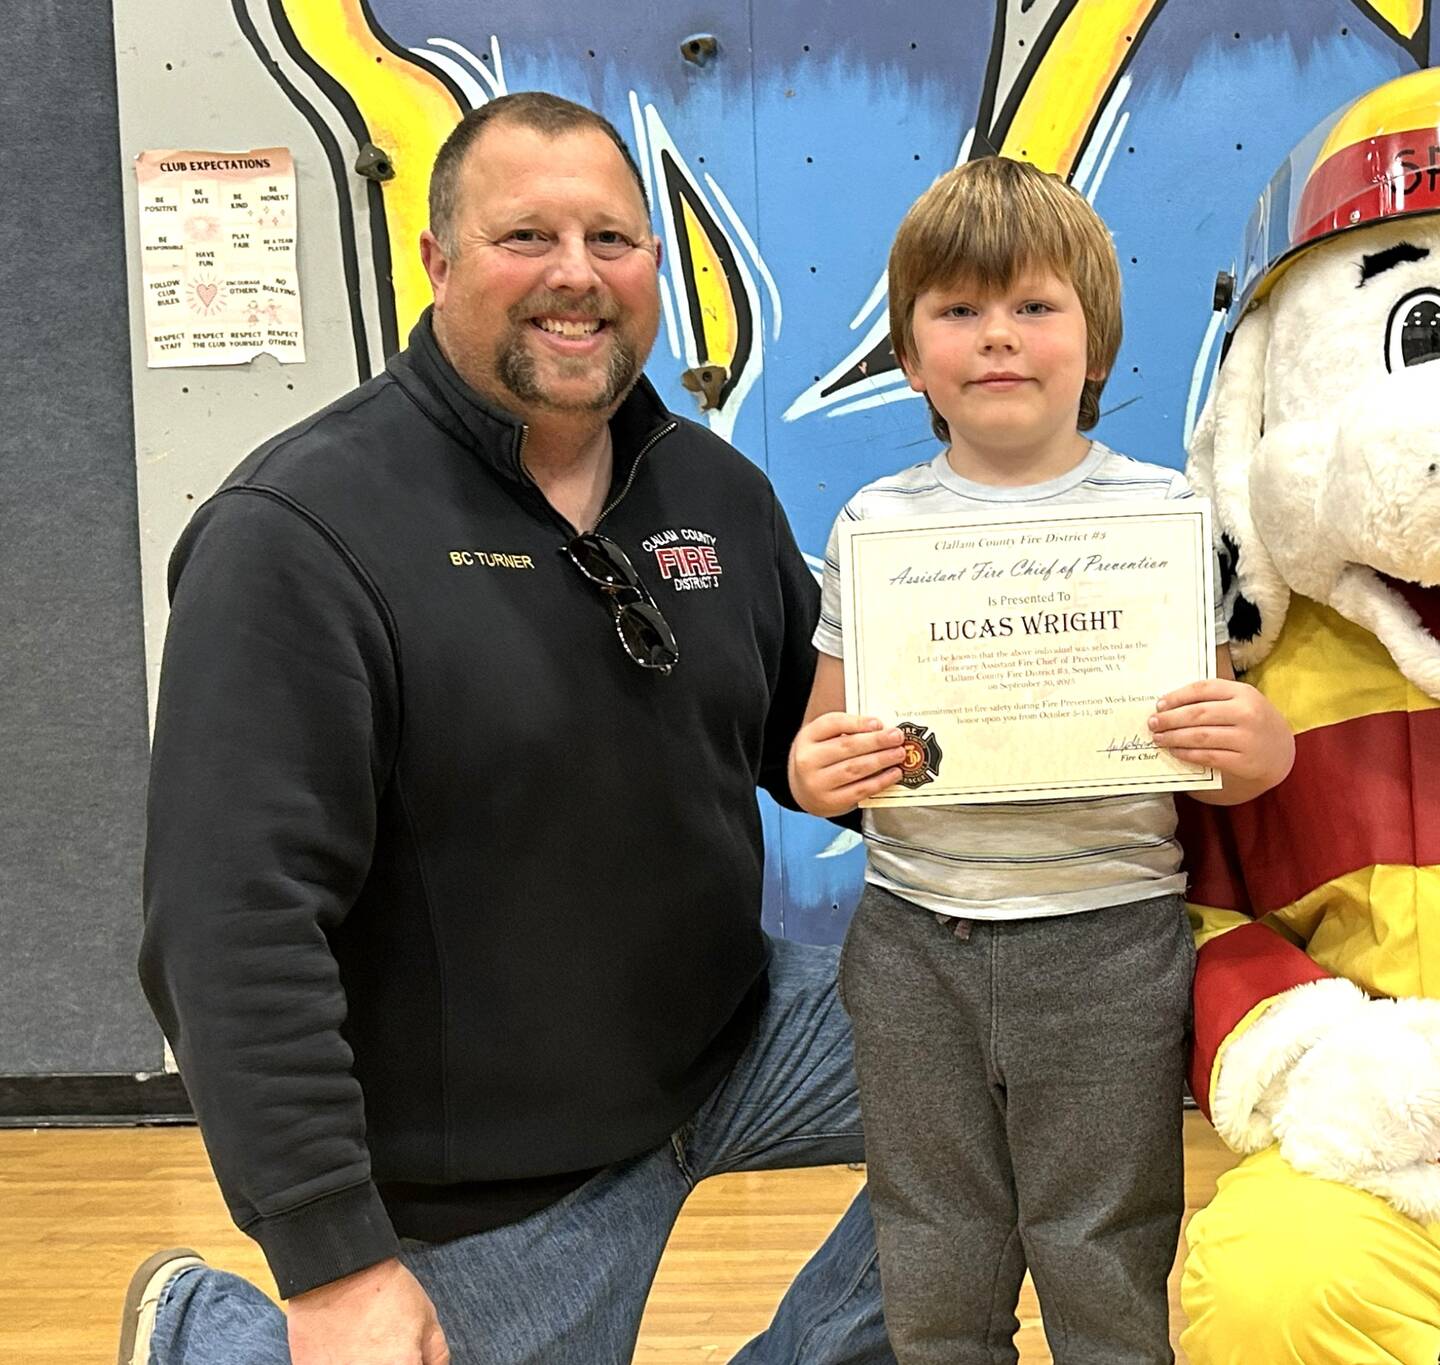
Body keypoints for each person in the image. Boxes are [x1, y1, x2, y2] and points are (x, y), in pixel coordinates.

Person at [122, 92, 892, 1365]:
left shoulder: (713, 492)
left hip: (736, 1033)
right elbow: (230, 921)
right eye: (526, 236)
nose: (576, 276)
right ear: (437, 262)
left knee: (1039, 1064)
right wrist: (332, 1262)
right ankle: (216, 1336)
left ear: (652, 265)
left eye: (611, 239)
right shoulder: (296, 535)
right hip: (500, 1163)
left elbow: (810, 748)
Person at [785, 156, 1296, 1364]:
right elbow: (819, 742)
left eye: (1033, 305)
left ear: (1095, 340)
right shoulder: (873, 525)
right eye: (958, 310)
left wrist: (1259, 747)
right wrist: (818, 772)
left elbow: (1226, 748)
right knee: (931, 1243)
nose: (997, 337)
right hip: (914, 941)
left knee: (1102, 1243)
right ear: (909, 358)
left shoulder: (1167, 519)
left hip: (1109, 937)